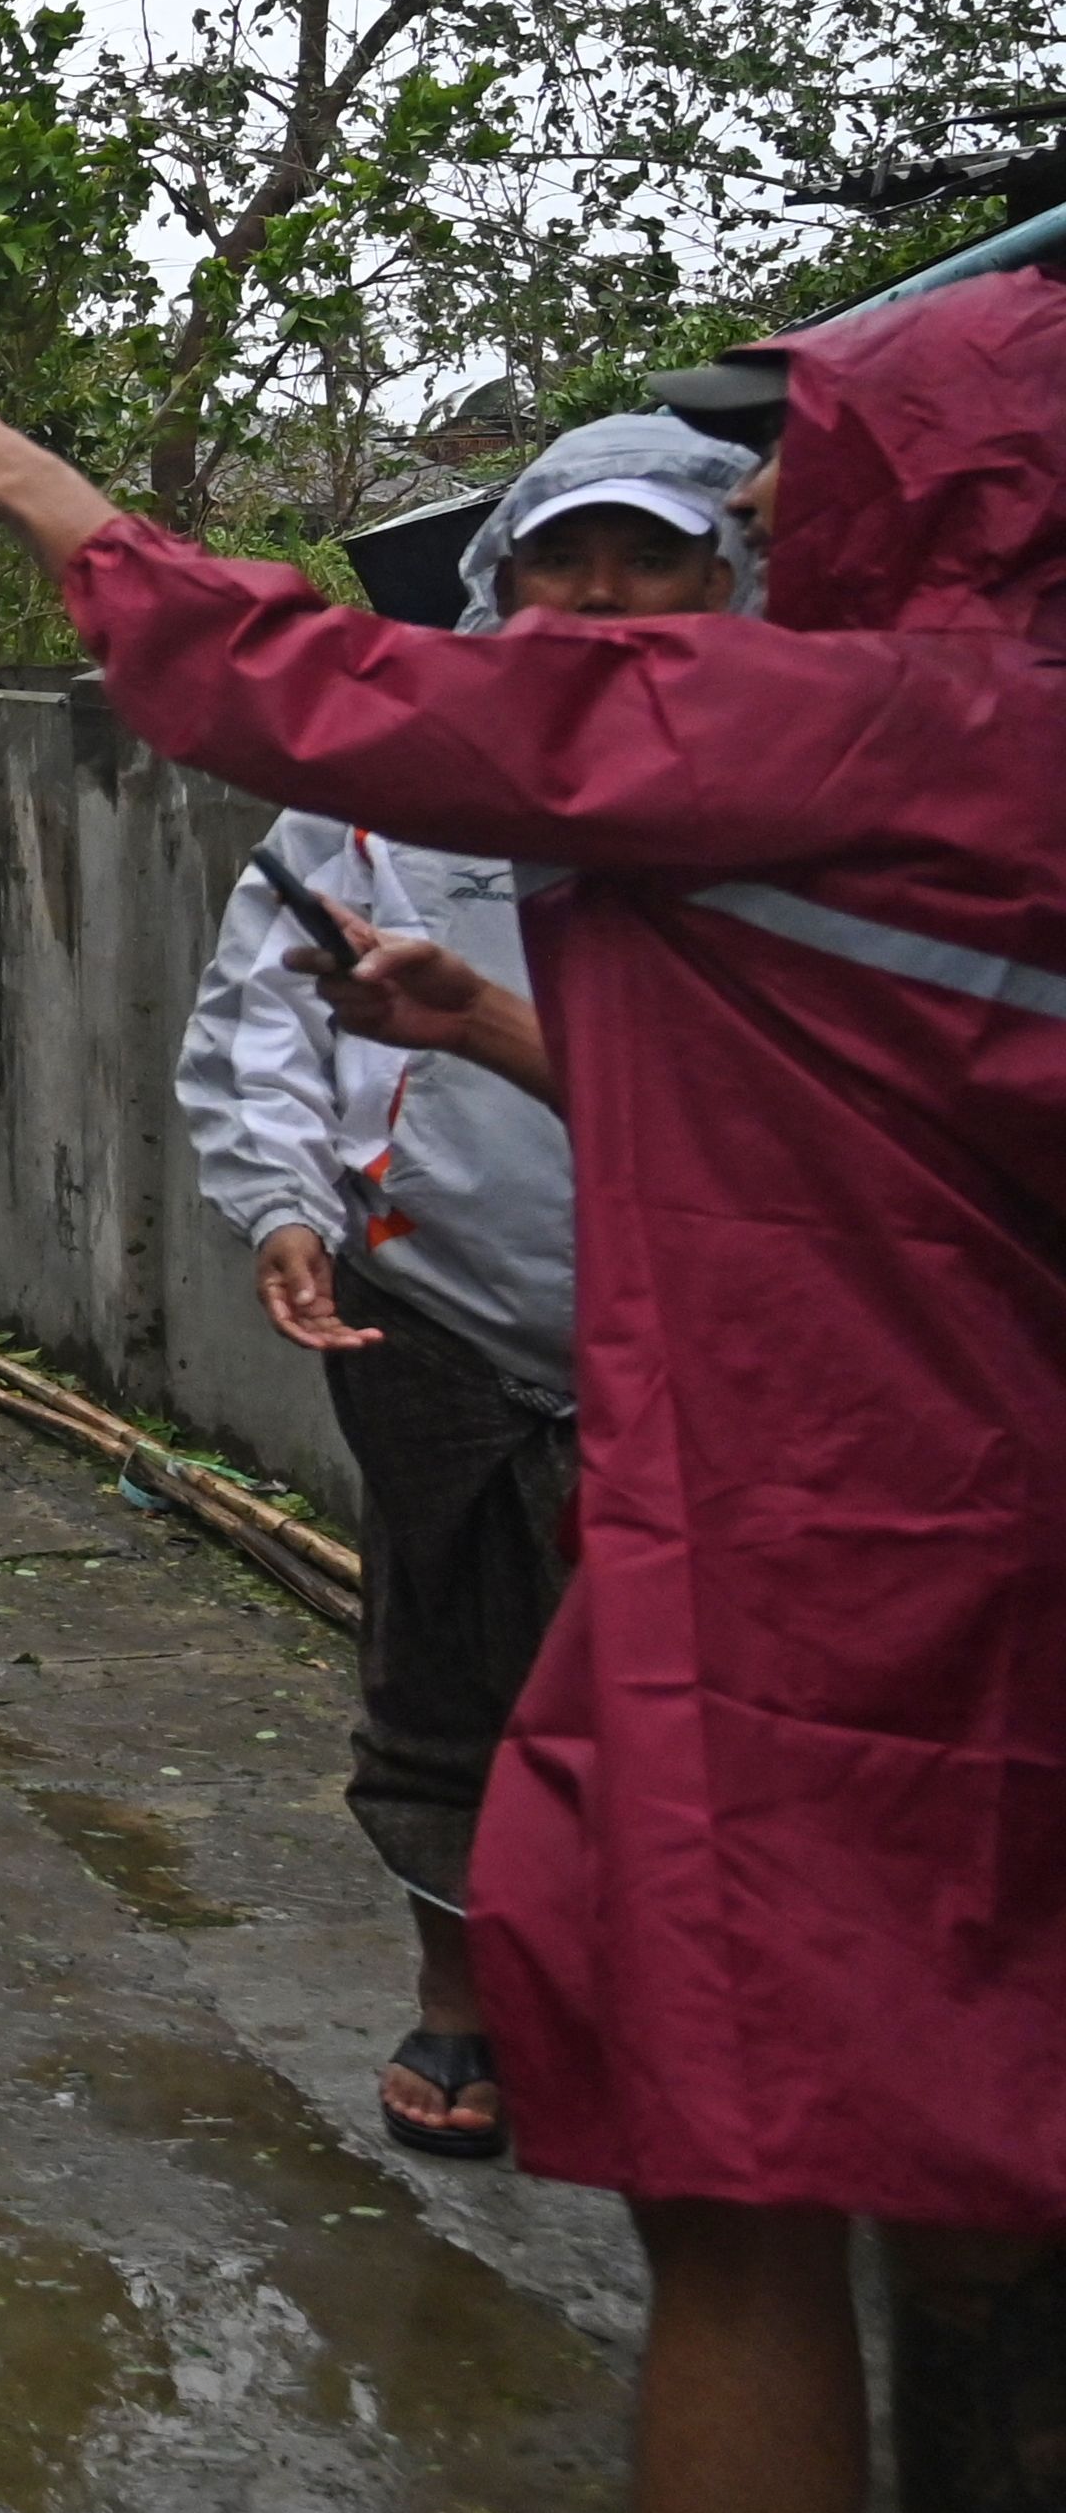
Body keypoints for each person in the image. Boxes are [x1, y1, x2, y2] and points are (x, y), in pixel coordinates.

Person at [0, 278, 1066, 2513]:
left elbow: (321, 684)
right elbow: (831, 1084)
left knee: (747, 2187)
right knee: (982, 2139)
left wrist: (55, 493)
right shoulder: (981, 774)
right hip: (976, 1506)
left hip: (810, 1539)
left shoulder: (846, 715)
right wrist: (481, 1033)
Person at [170, 413, 759, 2166]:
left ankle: (699, 2009)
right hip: (433, 1306)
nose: (599, 597)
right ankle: (466, 1995)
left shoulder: (793, 788)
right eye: (560, 558)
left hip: (714, 1322)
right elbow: (260, 1002)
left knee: (718, 1686)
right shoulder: (395, 779)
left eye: (646, 558)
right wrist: (281, 1196)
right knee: (447, 1661)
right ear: (498, 579)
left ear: (725, 577)